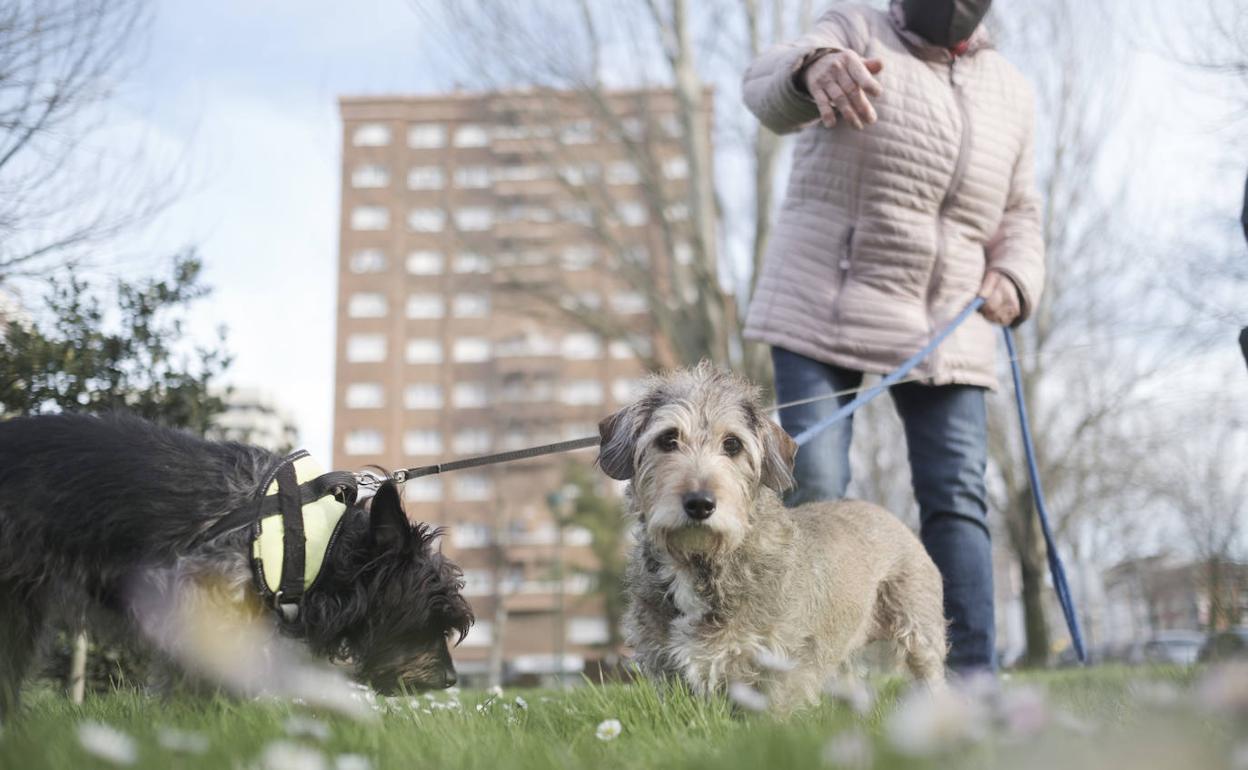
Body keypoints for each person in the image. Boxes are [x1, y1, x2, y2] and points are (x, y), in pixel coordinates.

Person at [742, 0, 1045, 672]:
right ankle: (807, 671)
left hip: (949, 317)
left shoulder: (1011, 89)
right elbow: (765, 90)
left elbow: (1020, 210)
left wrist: (1017, 277)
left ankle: (968, 680)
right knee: (811, 478)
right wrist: (812, 69)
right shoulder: (854, 29)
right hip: (825, 297)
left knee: (959, 494)